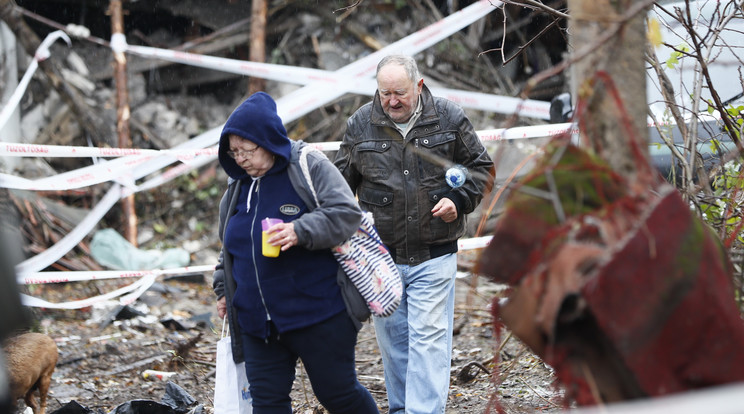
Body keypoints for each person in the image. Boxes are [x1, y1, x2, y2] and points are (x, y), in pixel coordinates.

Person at [334, 55, 494, 414]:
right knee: (394, 345)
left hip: (434, 253)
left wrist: (459, 199)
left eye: (400, 93)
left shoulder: (449, 117)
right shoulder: (360, 124)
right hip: (380, 259)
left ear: (418, 86)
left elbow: (481, 170)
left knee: (429, 341)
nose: (392, 101)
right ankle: (402, 409)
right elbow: (339, 188)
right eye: (385, 92)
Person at [212, 91, 379, 414]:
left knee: (338, 395)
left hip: (318, 315)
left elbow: (346, 215)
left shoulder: (306, 166)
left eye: (247, 150)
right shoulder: (237, 189)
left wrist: (299, 230)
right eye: (234, 152)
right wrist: (223, 288)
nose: (241, 159)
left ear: (268, 141)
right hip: (258, 325)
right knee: (267, 404)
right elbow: (229, 249)